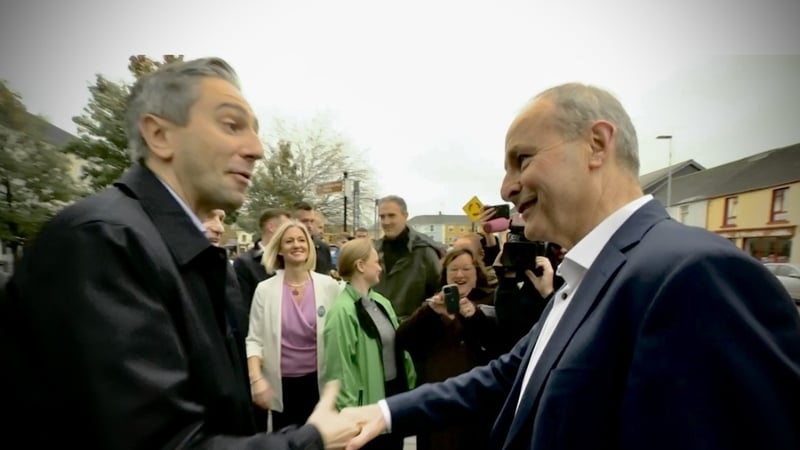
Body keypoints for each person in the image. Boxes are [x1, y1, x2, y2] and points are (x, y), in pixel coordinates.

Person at [341, 82, 800, 450]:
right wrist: (384, 414)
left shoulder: (694, 273)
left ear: (597, 145)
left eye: (522, 159)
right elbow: (506, 376)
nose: (507, 186)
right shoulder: (580, 276)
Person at [0, 57, 358, 449]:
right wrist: (310, 440)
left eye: (255, 131)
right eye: (231, 125)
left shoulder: (188, 254)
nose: (257, 149)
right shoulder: (102, 242)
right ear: (159, 135)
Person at [395, 248, 500, 450]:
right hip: (437, 402)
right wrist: (431, 312)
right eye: (453, 270)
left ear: (477, 273)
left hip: (476, 403)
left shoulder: (491, 301)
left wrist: (474, 316)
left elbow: (498, 344)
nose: (459, 275)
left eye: (466, 269)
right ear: (445, 275)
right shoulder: (432, 304)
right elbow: (403, 340)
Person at [246, 220, 344, 431]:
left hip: (320, 384)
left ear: (309, 247)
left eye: (302, 240)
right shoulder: (265, 290)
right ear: (279, 249)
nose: (296, 245)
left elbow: (340, 335)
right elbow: (254, 340)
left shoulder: (328, 286)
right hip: (282, 386)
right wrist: (256, 379)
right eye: (289, 241)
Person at [321, 238, 416, 450]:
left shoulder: (381, 302)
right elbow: (340, 371)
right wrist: (351, 419)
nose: (380, 267)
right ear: (360, 265)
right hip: (366, 412)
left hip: (391, 402)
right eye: (376, 261)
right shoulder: (342, 312)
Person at [373, 195, 441, 321]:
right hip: (378, 327)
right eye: (382, 217)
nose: (386, 222)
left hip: (411, 329)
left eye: (391, 216)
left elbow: (438, 291)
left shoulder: (424, 251)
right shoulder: (374, 251)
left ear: (405, 216)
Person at [233, 208, 290, 312]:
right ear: (271, 227)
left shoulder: (289, 260)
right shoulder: (244, 263)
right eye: (286, 227)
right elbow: (241, 307)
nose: (290, 232)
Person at [294, 201, 334, 275]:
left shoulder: (323, 248)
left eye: (311, 221)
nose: (309, 226)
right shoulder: (284, 248)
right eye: (304, 221)